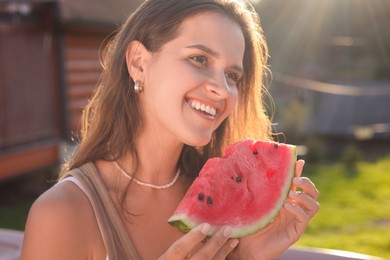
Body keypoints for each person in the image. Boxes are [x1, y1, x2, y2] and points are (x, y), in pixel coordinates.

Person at [21, 0, 320, 259]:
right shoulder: (62, 215)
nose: (222, 89)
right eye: (199, 59)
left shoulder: (222, 204)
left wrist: (247, 257)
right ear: (138, 63)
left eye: (232, 75)